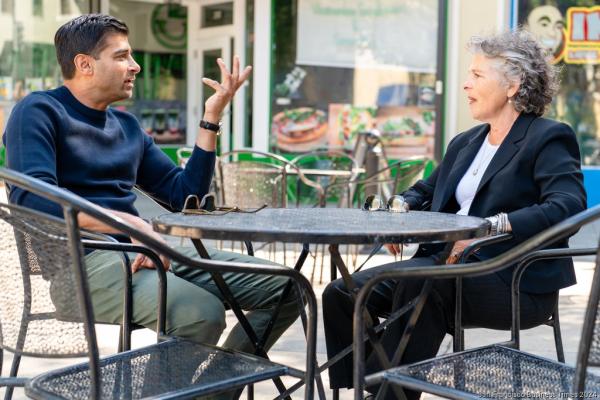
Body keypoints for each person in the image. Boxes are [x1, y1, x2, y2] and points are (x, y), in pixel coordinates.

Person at [3, 14, 300, 358]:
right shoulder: (39, 110)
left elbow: (186, 198)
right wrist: (129, 224)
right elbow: (32, 201)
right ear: (84, 64)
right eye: (121, 56)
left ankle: (210, 394)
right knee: (200, 313)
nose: (135, 66)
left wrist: (211, 119)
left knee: (287, 286)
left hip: (142, 251)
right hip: (80, 266)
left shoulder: (127, 126)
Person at [322, 29, 587, 399]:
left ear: (513, 85)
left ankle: (389, 392)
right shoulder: (466, 142)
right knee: (342, 293)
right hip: (444, 265)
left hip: (512, 278)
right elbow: (424, 192)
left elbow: (567, 205)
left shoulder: (547, 137)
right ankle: (366, 387)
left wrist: (487, 228)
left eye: (477, 75)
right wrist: (400, 209)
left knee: (423, 285)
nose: (465, 84)